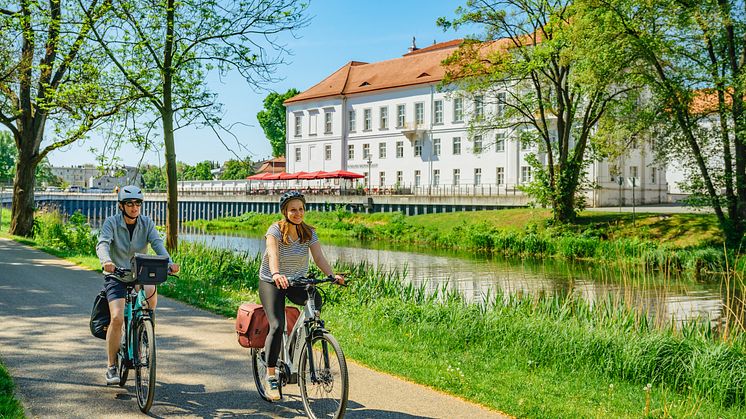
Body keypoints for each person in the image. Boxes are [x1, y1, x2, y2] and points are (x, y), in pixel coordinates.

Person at [259, 190, 344, 401]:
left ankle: (301, 340)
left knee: (316, 300)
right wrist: (277, 273)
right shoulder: (275, 231)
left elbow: (318, 257)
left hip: (297, 281)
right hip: (272, 281)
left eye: (301, 209)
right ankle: (271, 377)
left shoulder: (309, 232)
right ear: (285, 212)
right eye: (293, 210)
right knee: (277, 326)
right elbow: (273, 254)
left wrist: (332, 275)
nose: (298, 213)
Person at [95, 185, 180, 385]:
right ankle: (111, 366)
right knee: (116, 318)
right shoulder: (112, 223)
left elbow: (158, 244)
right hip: (116, 274)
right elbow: (103, 243)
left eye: (138, 204)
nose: (134, 208)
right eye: (130, 204)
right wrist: (106, 262)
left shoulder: (147, 223)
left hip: (139, 273)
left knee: (150, 295)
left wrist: (168, 263)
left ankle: (145, 330)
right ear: (121, 206)